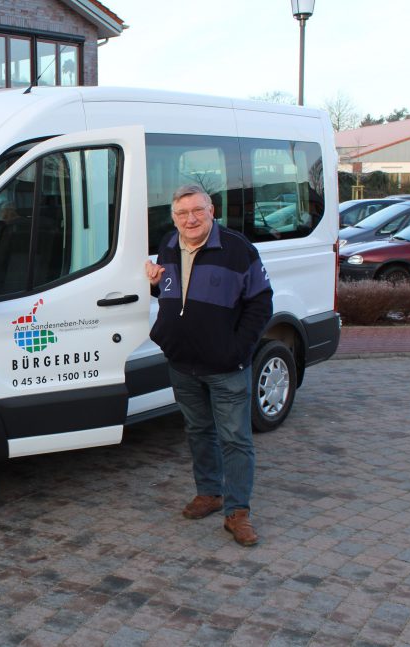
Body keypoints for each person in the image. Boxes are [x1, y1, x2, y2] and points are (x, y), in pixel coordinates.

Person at [145, 184, 273, 546]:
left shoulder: (237, 249)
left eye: (198, 211)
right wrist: (155, 285)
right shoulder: (169, 244)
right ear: (174, 217)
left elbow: (261, 304)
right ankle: (210, 494)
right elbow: (175, 293)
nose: (191, 219)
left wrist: (238, 350)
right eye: (182, 213)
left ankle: (237, 512)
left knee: (235, 438)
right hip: (182, 362)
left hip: (225, 366)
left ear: (212, 210)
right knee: (198, 431)